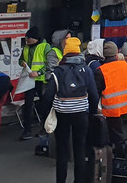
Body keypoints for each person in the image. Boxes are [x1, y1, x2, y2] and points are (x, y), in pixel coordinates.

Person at [44, 36, 99, 183]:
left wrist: (47, 114)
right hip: (81, 115)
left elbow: (48, 95)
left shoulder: (58, 71)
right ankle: (78, 180)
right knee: (79, 148)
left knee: (62, 150)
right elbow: (93, 95)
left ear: (65, 53)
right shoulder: (86, 70)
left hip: (62, 114)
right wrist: (91, 112)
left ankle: (61, 180)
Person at [93, 41, 127, 145]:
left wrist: (93, 111)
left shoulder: (101, 71)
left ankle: (118, 156)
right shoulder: (125, 66)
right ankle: (118, 153)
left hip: (110, 110)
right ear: (116, 54)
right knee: (118, 134)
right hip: (125, 107)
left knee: (116, 136)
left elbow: (95, 94)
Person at [18, 27, 53, 140]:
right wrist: (22, 63)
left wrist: (38, 72)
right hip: (30, 80)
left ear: (35, 38)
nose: (26, 40)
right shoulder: (26, 47)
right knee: (27, 104)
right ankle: (27, 130)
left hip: (42, 80)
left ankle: (45, 128)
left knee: (44, 105)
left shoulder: (45, 47)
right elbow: (20, 59)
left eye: (28, 38)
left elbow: (49, 64)